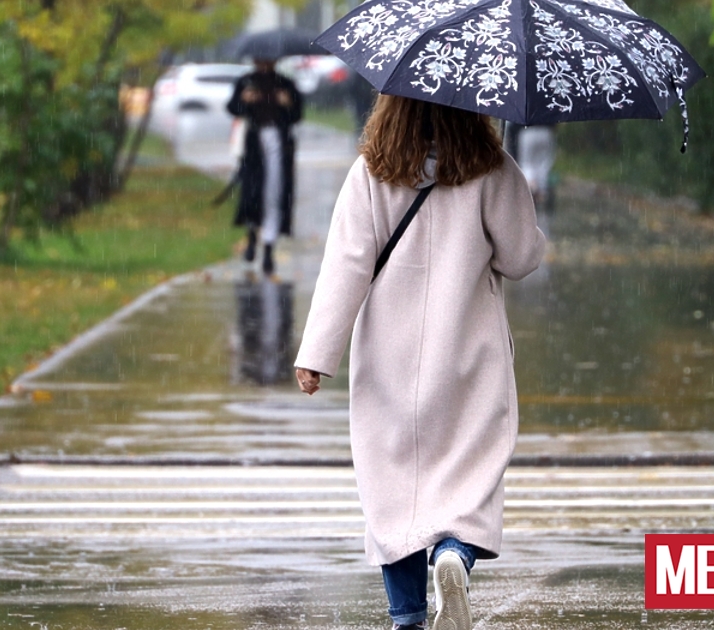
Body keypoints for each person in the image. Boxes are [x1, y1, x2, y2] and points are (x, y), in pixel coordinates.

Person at [293, 95, 546, 630]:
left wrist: (316, 354)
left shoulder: (371, 171)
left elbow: (347, 264)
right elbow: (521, 258)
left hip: (390, 358)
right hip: (468, 356)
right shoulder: (490, 169)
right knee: (467, 475)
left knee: (394, 493)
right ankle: (455, 553)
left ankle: (407, 615)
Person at [226, 57, 304, 276]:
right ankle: (252, 237)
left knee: (274, 194)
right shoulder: (246, 82)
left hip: (279, 146)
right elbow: (233, 108)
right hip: (253, 147)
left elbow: (297, 115)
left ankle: (269, 248)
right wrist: (244, 101)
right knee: (252, 194)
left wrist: (287, 103)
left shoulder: (285, 84)